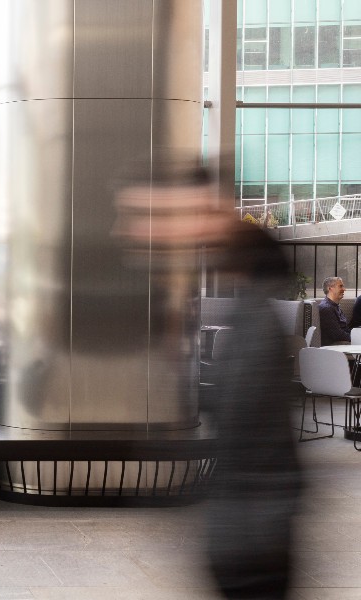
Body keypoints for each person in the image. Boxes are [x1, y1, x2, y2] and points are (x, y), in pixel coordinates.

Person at [114, 158, 300, 599]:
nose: (127, 231)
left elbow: (253, 443)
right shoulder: (249, 303)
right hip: (243, 536)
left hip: (250, 544)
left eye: (145, 215)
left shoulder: (256, 319)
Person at [317, 276, 350, 345]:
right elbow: (337, 335)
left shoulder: (335, 306)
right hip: (334, 346)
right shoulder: (326, 308)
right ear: (330, 288)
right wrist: (356, 338)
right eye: (340, 286)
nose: (344, 289)